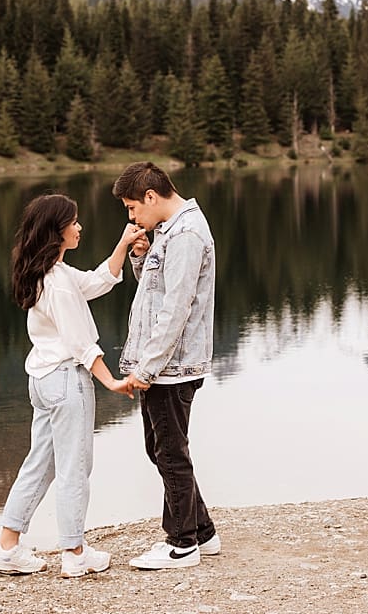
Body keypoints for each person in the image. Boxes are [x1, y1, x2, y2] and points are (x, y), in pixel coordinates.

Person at [0, 193, 147, 578]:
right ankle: (74, 552)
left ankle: (7, 547)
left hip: (41, 381)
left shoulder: (49, 274)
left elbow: (96, 282)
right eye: (73, 223)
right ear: (56, 231)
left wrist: (123, 246)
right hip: (64, 381)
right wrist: (111, 382)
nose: (79, 227)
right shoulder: (56, 284)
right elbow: (80, 343)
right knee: (75, 467)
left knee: (40, 463)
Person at [112, 161, 220, 570]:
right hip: (163, 364)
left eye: (132, 208)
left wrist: (147, 368)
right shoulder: (170, 232)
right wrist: (141, 257)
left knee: (170, 452)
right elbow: (158, 291)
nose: (132, 217)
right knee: (160, 448)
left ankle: (181, 544)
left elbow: (177, 308)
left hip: (171, 367)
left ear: (151, 197)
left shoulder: (188, 234)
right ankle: (202, 532)